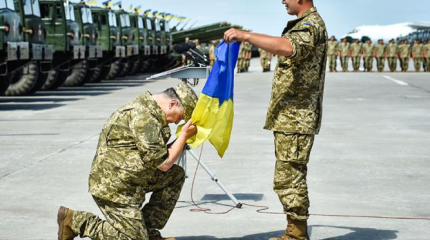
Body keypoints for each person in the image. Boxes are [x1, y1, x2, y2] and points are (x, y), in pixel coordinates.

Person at [224, 0, 327, 239]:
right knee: (287, 176)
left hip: (297, 118)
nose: (282, 1)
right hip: (290, 118)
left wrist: (246, 35)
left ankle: (297, 234)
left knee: (289, 177)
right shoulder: (305, 23)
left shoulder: (310, 25)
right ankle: (295, 229)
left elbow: (288, 47)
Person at [57, 83, 198, 240]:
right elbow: (164, 164)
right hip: (114, 187)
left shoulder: (150, 111)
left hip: (133, 178)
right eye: (181, 116)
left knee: (175, 175)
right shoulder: (144, 117)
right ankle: (76, 221)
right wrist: (183, 135)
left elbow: (159, 155)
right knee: (131, 239)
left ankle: (146, 230)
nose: (178, 122)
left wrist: (182, 139)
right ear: (172, 104)